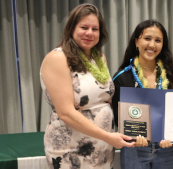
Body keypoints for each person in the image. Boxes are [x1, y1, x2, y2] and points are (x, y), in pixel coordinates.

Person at [40, 3, 135, 169]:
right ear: (71, 28)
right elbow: (66, 112)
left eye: (95, 29)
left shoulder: (99, 58)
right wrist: (107, 136)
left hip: (103, 147)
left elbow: (106, 99)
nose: (89, 33)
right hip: (72, 148)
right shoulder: (58, 58)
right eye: (84, 27)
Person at [112, 19, 173, 169]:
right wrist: (132, 136)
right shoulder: (122, 77)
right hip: (134, 147)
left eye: (158, 40)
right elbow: (118, 118)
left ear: (163, 45)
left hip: (167, 147)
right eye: (147, 38)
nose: (152, 45)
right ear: (136, 42)